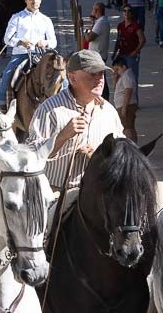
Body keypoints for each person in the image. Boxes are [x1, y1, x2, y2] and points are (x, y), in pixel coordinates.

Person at [28, 50, 122, 202]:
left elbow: (121, 152)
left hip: (97, 197)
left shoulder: (108, 111)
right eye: (92, 74)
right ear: (72, 78)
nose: (99, 79)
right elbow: (32, 154)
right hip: (57, 196)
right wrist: (63, 136)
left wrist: (100, 155)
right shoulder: (49, 109)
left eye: (101, 74)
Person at [0, 0, 56, 108]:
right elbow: (7, 39)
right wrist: (20, 42)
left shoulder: (46, 20)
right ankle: (1, 105)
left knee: (61, 75)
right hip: (21, 54)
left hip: (41, 55)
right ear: (26, 0)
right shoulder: (17, 17)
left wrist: (45, 43)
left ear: (41, 0)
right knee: (8, 74)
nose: (34, 1)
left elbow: (53, 41)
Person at [82, 2, 112, 99]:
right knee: (98, 77)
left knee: (99, 79)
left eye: (93, 9)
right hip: (98, 54)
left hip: (98, 56)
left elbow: (89, 38)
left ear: (96, 10)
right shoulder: (100, 22)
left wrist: (84, 30)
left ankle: (103, 98)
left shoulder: (101, 22)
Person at [114, 5, 145, 84]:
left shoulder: (136, 26)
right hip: (121, 54)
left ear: (132, 13)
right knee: (119, 77)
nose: (126, 13)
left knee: (132, 79)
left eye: (129, 11)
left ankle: (134, 96)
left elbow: (143, 40)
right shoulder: (120, 25)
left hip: (131, 55)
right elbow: (118, 39)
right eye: (125, 11)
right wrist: (114, 52)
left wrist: (136, 51)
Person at [112, 55, 139, 142]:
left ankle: (132, 147)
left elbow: (128, 91)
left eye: (117, 69)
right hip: (124, 105)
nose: (117, 72)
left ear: (123, 67)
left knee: (127, 128)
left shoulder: (127, 75)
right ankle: (134, 147)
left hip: (127, 105)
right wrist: (115, 79)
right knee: (128, 127)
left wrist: (124, 107)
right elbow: (116, 88)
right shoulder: (123, 76)